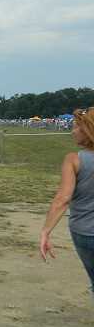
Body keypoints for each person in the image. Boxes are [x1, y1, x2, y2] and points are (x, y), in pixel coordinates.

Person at [40, 107, 94, 300]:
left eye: (76, 127)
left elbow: (63, 199)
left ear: (88, 130)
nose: (72, 131)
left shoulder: (74, 160)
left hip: (86, 232)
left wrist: (46, 231)